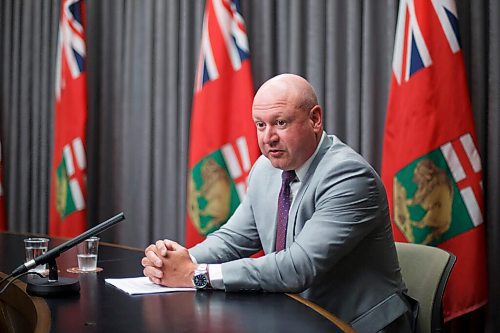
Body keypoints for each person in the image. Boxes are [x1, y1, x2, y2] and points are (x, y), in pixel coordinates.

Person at [142, 73, 417, 332]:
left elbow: (297, 267)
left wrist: (196, 274)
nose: (267, 137)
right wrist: (179, 260)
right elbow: (232, 240)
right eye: (260, 125)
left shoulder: (349, 176)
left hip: (357, 325)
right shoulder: (266, 168)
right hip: (298, 318)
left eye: (280, 123)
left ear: (315, 119)